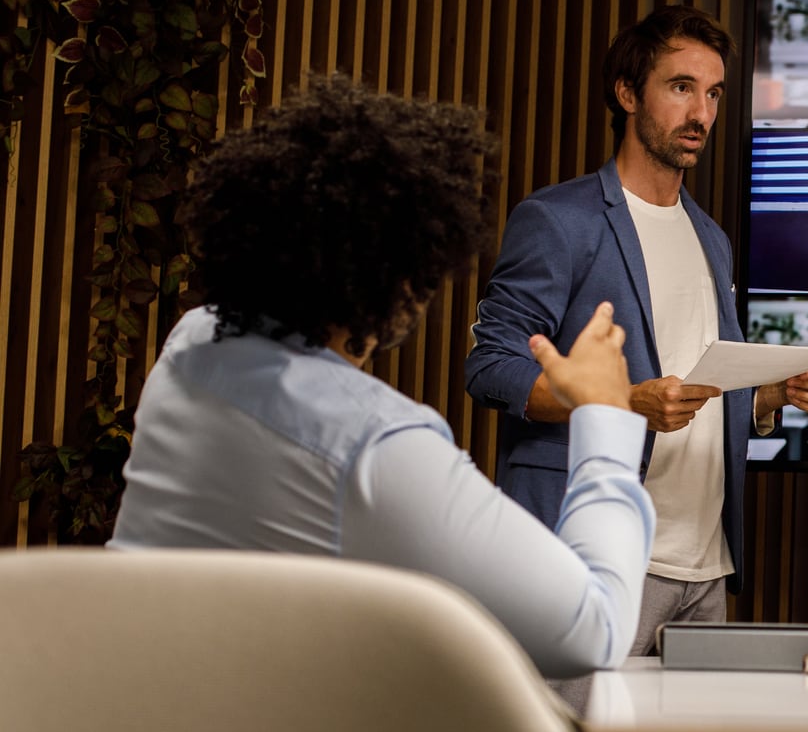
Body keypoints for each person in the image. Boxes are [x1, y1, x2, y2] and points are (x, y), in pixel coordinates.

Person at [110, 78, 652, 679]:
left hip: (137, 724)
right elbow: (593, 631)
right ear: (404, 279)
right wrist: (605, 414)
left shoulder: (192, 345)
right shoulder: (376, 446)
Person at [465, 5, 808, 681]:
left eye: (714, 93)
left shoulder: (710, 238)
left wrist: (769, 398)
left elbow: (698, 384)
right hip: (601, 558)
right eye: (680, 87)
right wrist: (624, 402)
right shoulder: (558, 219)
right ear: (627, 93)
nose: (701, 112)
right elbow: (492, 369)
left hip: (705, 568)